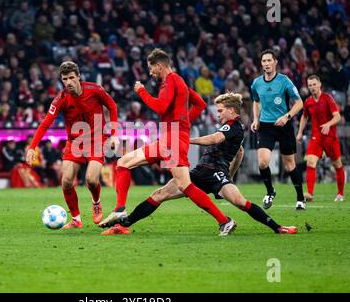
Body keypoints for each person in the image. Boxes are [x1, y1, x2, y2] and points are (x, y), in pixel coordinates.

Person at [100, 92, 297, 234]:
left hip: (215, 172)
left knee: (240, 202)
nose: (218, 114)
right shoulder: (231, 127)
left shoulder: (234, 126)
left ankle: (277, 227)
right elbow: (240, 152)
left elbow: (215, 139)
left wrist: (186, 139)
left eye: (220, 110)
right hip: (201, 171)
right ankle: (123, 225)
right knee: (159, 194)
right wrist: (232, 174)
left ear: (231, 111)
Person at [100, 48, 236, 236]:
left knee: (184, 185)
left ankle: (225, 221)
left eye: (151, 69)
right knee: (123, 162)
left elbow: (160, 107)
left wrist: (142, 92)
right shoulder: (179, 82)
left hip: (173, 138)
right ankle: (120, 210)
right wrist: (184, 125)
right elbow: (200, 104)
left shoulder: (170, 80)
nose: (150, 73)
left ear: (159, 66)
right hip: (169, 137)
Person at [26, 61, 120, 228]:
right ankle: (76, 219)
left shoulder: (95, 90)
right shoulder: (60, 99)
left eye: (71, 78)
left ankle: (96, 202)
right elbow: (45, 123)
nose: (68, 82)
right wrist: (32, 147)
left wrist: (113, 134)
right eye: (64, 79)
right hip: (75, 142)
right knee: (67, 181)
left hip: (97, 140)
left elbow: (112, 106)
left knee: (91, 180)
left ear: (78, 76)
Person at [250, 49, 306, 210]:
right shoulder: (256, 83)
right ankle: (270, 191)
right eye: (264, 61)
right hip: (266, 126)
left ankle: (300, 198)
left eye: (269, 60)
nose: (266, 64)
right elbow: (256, 101)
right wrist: (255, 119)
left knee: (289, 165)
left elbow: (299, 103)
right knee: (262, 162)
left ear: (275, 62)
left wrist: (286, 116)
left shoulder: (284, 81)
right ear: (261, 64)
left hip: (284, 126)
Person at [296, 75, 345, 202]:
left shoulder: (328, 99)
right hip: (316, 137)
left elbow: (337, 116)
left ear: (319, 84)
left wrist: (328, 124)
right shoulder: (308, 102)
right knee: (310, 162)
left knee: (337, 164)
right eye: (310, 85)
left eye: (314, 84)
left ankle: (340, 193)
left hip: (330, 138)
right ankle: (310, 194)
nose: (312, 87)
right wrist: (300, 132)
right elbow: (304, 116)